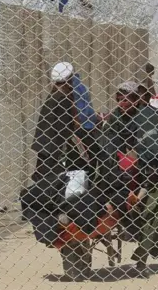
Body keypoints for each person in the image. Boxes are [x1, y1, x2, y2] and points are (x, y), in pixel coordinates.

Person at [21, 62, 102, 263]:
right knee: (70, 188)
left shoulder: (51, 99)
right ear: (70, 80)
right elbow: (74, 128)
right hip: (60, 156)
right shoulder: (65, 99)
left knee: (50, 189)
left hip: (49, 156)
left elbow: (50, 136)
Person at [100, 81, 158, 278]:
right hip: (122, 176)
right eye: (120, 98)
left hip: (152, 173)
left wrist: (143, 181)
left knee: (149, 214)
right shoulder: (115, 118)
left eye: (128, 98)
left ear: (137, 100)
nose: (123, 102)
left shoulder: (147, 117)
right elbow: (107, 147)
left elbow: (155, 152)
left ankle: (141, 259)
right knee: (131, 217)